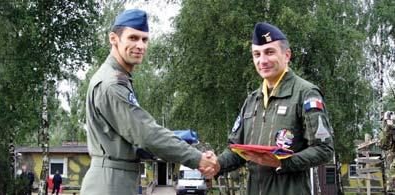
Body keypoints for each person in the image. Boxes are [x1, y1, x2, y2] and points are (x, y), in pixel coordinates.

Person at [80, 9, 217, 195]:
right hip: (110, 183)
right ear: (113, 38)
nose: (140, 45)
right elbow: (145, 134)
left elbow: (135, 139)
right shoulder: (111, 84)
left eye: (144, 39)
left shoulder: (118, 78)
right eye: (133, 38)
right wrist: (197, 158)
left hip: (117, 179)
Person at [215, 22, 334, 195]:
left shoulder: (305, 94)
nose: (262, 61)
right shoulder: (252, 100)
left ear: (287, 55)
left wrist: (282, 163)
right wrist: (216, 164)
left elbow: (324, 150)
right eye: (257, 54)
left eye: (269, 52)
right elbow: (236, 149)